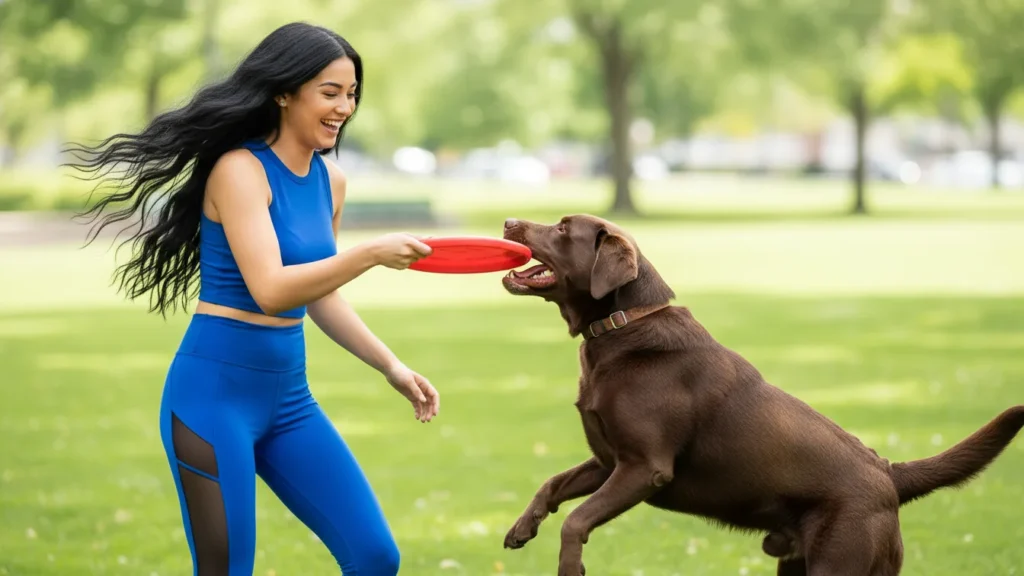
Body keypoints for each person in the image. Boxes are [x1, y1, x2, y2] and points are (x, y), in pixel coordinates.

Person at [64, 22, 439, 576]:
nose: (344, 107)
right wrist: (370, 253)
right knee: (226, 571)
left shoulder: (329, 180)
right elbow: (271, 289)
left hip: (290, 400)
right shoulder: (239, 170)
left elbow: (317, 294)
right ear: (284, 92)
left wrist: (391, 365)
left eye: (352, 93)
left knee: (374, 556)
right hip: (211, 400)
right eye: (329, 92)